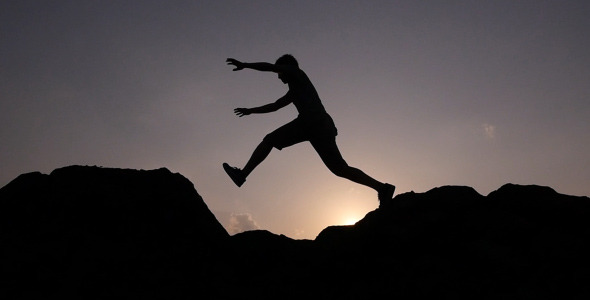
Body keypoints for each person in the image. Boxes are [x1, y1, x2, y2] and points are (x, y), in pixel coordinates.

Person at [223, 54, 395, 203]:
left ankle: (242, 174)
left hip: (311, 122)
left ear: (286, 67)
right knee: (339, 168)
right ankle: (382, 188)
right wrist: (250, 111)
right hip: (321, 125)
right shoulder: (296, 88)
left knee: (269, 140)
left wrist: (245, 65)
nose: (278, 76)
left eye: (279, 71)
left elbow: (270, 67)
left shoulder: (297, 73)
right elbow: (275, 106)